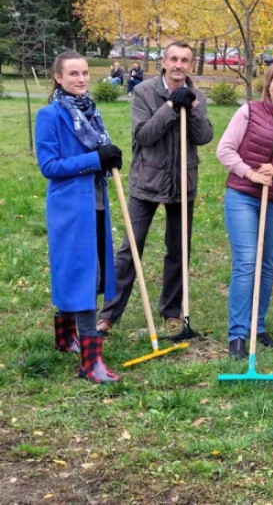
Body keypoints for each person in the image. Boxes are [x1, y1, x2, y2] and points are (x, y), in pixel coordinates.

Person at [97, 42, 214, 333]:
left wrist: (194, 108)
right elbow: (144, 135)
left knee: (178, 250)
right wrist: (171, 106)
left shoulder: (197, 95)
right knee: (130, 249)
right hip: (147, 181)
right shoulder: (143, 92)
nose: (179, 64)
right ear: (164, 61)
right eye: (173, 58)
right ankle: (109, 314)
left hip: (182, 182)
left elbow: (204, 137)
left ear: (190, 64)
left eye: (185, 60)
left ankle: (172, 310)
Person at [36, 52, 124, 383]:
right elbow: (50, 166)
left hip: (96, 202)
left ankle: (65, 337)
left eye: (85, 72)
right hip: (71, 208)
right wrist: (93, 158)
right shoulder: (51, 114)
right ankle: (90, 362)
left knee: (85, 269)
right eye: (73, 73)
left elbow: (99, 153)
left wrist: (109, 158)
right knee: (81, 273)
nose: (81, 78)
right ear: (58, 77)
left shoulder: (90, 112)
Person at [216, 63, 273, 358]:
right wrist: (251, 173)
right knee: (246, 261)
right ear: (268, 85)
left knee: (267, 265)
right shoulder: (249, 112)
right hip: (242, 196)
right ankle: (238, 334)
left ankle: (258, 325)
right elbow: (224, 150)